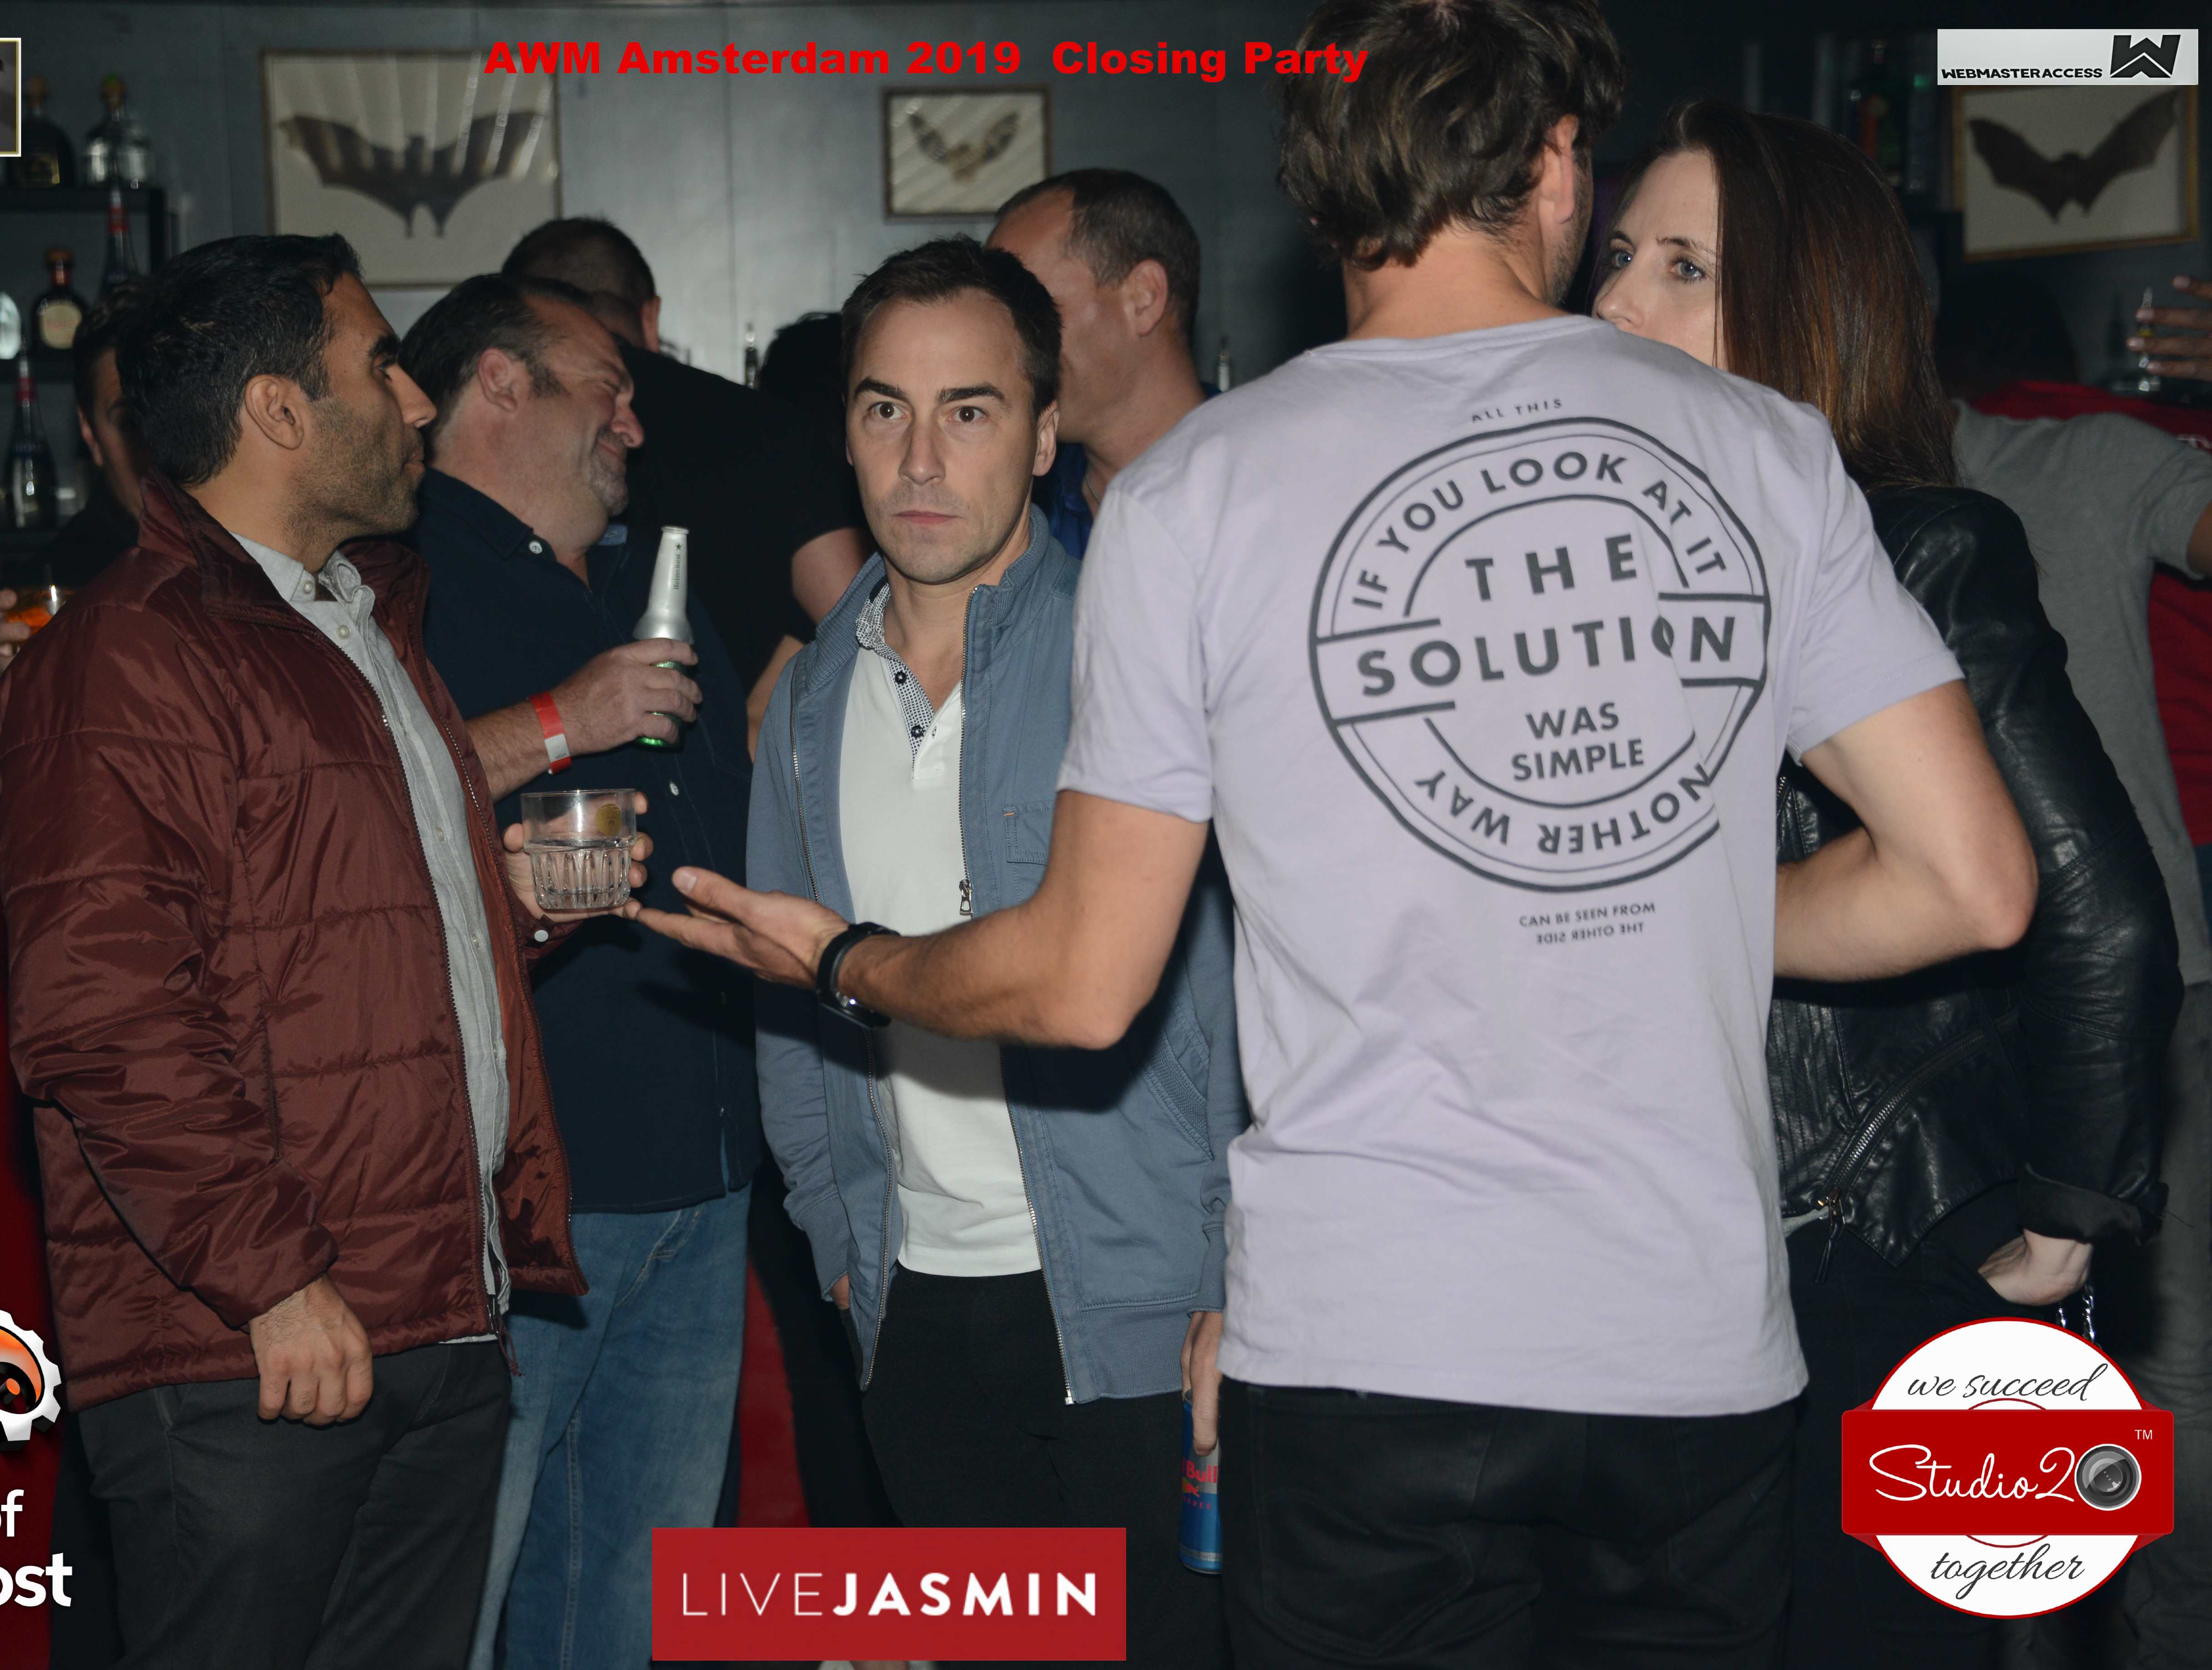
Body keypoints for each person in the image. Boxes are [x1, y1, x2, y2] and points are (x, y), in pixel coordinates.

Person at [636, 0, 2048, 1661]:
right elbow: (1971, 882)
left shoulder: (1198, 492)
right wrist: (1665, 888)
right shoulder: (1757, 445)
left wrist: (852, 961)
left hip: (1364, 1347)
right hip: (1684, 1349)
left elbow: (1084, 980)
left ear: (1311, 201)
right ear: (1557, 170)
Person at [0, 235, 638, 1670]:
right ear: (278, 410)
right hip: (252, 1346)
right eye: (379, 365)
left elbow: (327, 943)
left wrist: (510, 907)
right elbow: (105, 1017)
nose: (414, 401)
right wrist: (272, 1278)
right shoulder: (129, 654)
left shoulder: (362, 621)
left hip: (431, 1306)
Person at [1593, 100, 2181, 1670]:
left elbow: (2099, 908)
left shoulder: (1916, 544)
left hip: (1874, 1237)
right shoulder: (1614, 557)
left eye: (1683, 267)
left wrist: (2067, 1218)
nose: (1616, 300)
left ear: (1804, 307)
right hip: (1674, 1251)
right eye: (1618, 255)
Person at [748, 236, 1240, 1669]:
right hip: (916, 1307)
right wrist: (838, 1240)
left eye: (968, 410)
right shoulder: (806, 698)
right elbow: (786, 987)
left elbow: (1258, 986)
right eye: (883, 409)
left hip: (1141, 1299)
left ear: (1040, 433)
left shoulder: (1135, 653)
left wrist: (1243, 1271)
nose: (920, 457)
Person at [393, 271, 759, 1670]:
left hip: (703, 1172)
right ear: (500, 382)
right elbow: (353, 806)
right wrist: (564, 717)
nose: (635, 423)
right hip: (528, 1194)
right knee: (463, 1589)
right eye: (608, 387)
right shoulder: (397, 576)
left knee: (637, 1592)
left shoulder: (643, 578)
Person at [1931, 268, 2212, 1667]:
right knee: (2000, 1387)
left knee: (2146, 1375)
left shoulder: (2086, 461)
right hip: (1918, 1018)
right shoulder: (1768, 491)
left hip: (2126, 991)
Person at [502, 218, 866, 732]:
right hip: (729, 761)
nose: (627, 430)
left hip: (548, 754)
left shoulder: (507, 437)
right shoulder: (771, 427)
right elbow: (858, 624)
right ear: (650, 315)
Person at [987, 169, 1207, 557]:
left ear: (1143, 297)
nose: (999, 345)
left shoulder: (1265, 485)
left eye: (1032, 307)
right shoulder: (1016, 506)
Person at [0, 283, 153, 678]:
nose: (156, 440)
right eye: (131, 420)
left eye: (168, 411)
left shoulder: (259, 551)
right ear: (90, 435)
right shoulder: (53, 590)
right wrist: (16, 693)